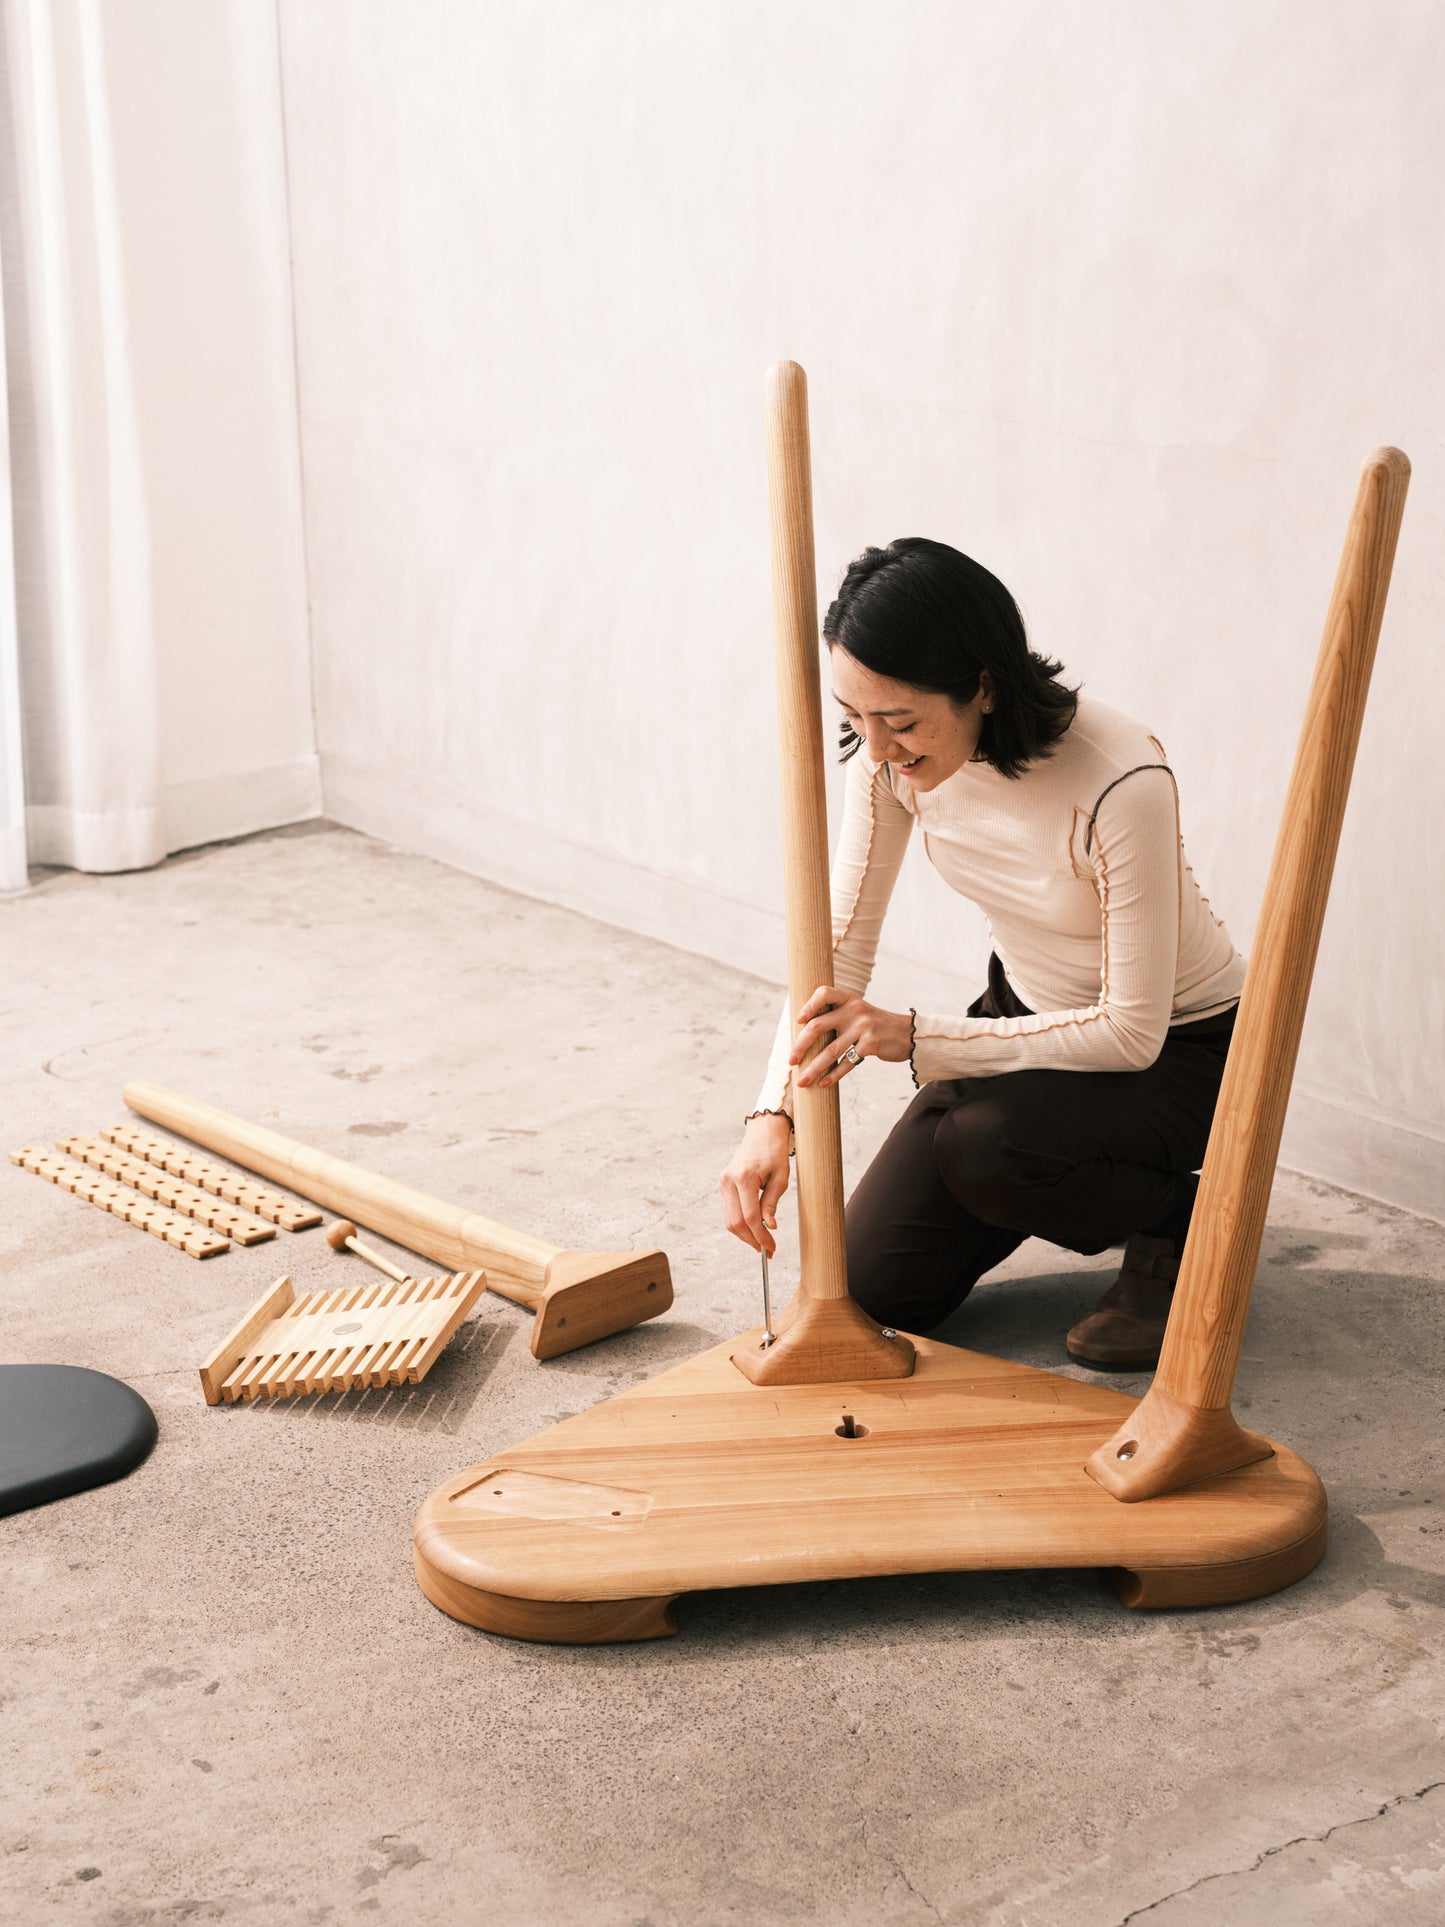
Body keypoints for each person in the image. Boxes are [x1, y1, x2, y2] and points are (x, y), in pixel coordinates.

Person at [717, 537, 1245, 1371]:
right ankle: (1033, 1160)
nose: (877, 747)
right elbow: (839, 947)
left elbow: (1129, 1033)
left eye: (899, 721)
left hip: (1178, 1048)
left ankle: (1186, 1222)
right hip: (1027, 1014)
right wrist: (769, 1115)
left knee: (985, 1148)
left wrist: (917, 1038)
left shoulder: (1119, 775)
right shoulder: (886, 758)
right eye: (853, 718)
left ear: (984, 686)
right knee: (867, 1294)